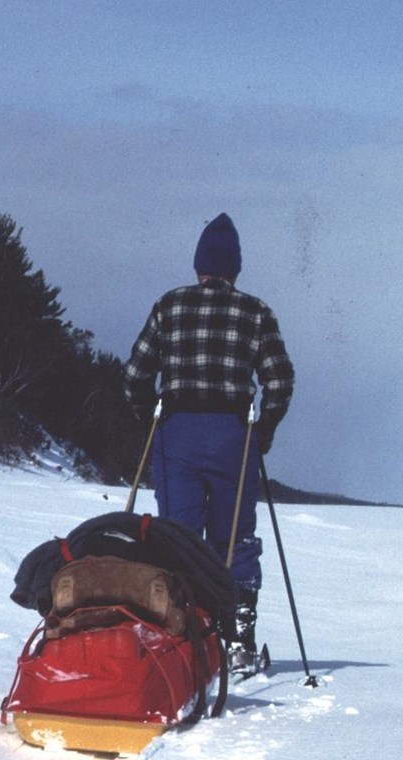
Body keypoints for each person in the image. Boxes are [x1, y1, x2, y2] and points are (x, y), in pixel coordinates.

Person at [123, 213, 295, 675]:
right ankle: (237, 639)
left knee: (177, 536)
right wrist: (263, 433)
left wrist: (150, 422)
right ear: (235, 269)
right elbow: (279, 381)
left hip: (177, 433)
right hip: (231, 436)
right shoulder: (256, 313)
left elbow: (136, 375)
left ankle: (178, 634)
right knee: (234, 536)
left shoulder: (169, 306)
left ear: (198, 265)